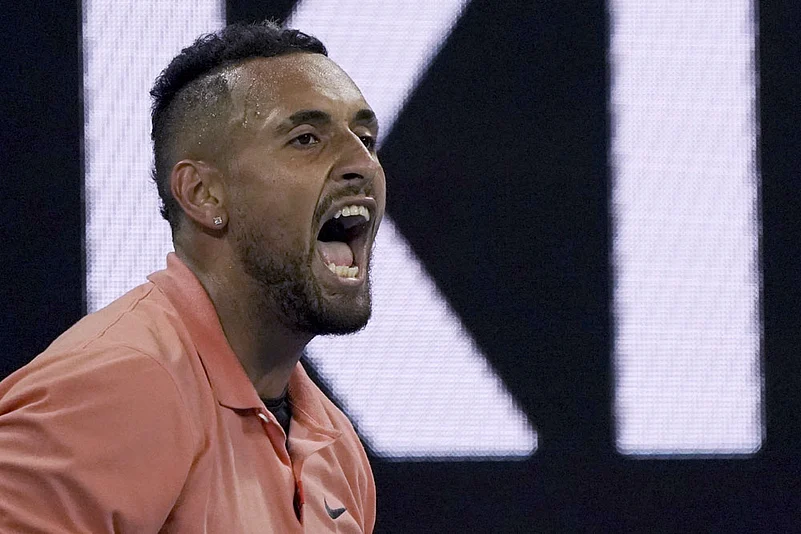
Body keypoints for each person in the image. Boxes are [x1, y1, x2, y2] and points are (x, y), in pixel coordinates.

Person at [0, 20, 384, 533]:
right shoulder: (120, 385)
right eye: (306, 139)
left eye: (366, 139)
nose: (362, 164)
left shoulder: (335, 449)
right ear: (203, 195)